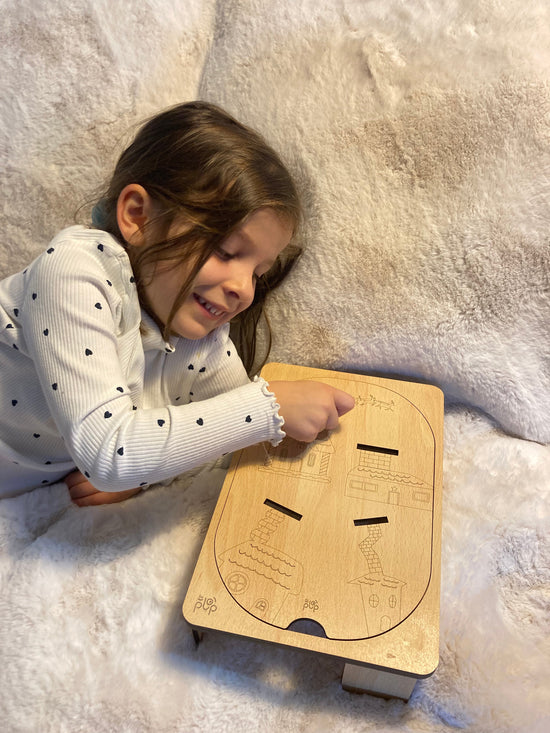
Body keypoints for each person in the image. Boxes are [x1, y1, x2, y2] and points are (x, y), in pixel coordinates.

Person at [0, 101, 354, 505]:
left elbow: (218, 440)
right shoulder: (75, 269)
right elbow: (109, 454)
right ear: (138, 217)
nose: (244, 288)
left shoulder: (199, 334)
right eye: (225, 250)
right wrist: (267, 406)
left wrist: (145, 477)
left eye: (258, 272)